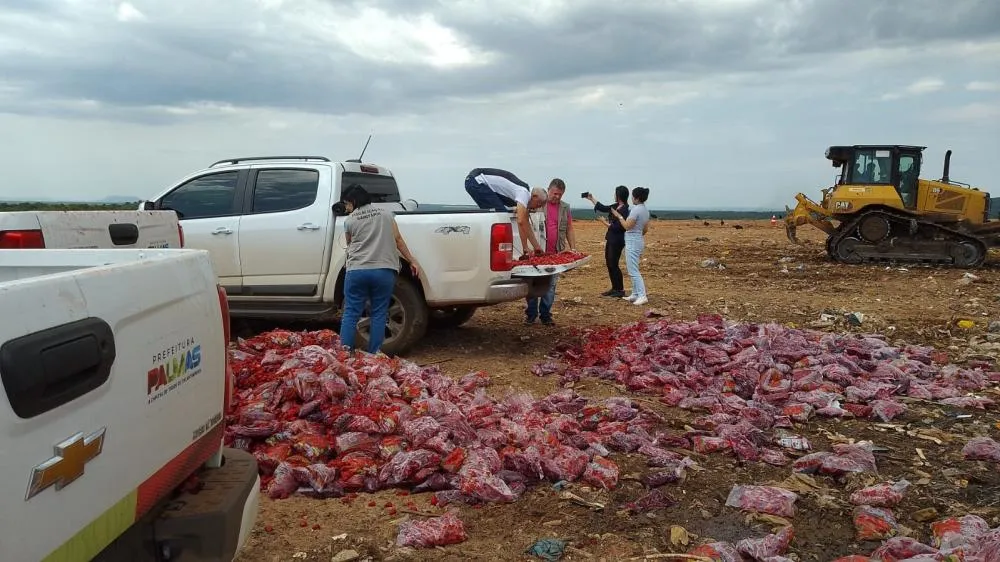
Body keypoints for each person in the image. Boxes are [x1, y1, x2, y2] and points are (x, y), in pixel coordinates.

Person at [338, 184, 421, 354]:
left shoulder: (350, 220)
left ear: (353, 201)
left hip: (357, 271)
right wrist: (412, 261)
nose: (347, 208)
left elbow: (350, 244)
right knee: (379, 312)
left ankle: (345, 354)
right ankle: (374, 354)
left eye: (347, 204)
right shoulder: (386, 214)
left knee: (351, 313)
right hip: (384, 270)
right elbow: (398, 240)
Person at [525, 179, 577, 325]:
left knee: (551, 285)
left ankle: (545, 314)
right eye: (555, 194)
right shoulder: (538, 203)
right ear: (548, 190)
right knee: (532, 283)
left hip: (555, 253)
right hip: (537, 253)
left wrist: (573, 248)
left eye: (560, 194)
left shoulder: (565, 208)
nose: (557, 197)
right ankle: (531, 314)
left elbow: (569, 228)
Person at [464, 167, 547, 255]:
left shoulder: (524, 193)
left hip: (475, 181)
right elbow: (522, 221)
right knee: (501, 217)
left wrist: (525, 247)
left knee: (498, 216)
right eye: (538, 204)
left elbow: (523, 221)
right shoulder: (524, 193)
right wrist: (537, 247)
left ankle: (492, 250)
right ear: (534, 196)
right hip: (477, 182)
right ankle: (496, 253)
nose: (536, 208)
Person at [609, 187, 651, 306]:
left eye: (633, 196)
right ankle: (635, 293)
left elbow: (627, 226)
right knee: (633, 267)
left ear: (636, 197)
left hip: (632, 242)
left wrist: (619, 216)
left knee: (633, 270)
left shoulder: (635, 210)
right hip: (638, 240)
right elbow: (645, 229)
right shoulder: (645, 210)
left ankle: (642, 295)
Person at [586, 185, 630, 298]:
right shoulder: (615, 206)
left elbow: (619, 227)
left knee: (613, 264)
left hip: (618, 240)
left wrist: (604, 222)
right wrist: (591, 198)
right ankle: (615, 288)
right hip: (611, 238)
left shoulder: (625, 210)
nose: (614, 195)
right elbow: (603, 207)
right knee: (609, 263)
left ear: (619, 195)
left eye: (615, 193)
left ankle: (620, 290)